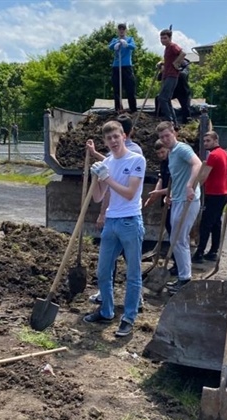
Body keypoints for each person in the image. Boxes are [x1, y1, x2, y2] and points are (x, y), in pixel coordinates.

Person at [83, 120, 146, 338]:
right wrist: (96, 178)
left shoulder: (137, 160)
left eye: (116, 137)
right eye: (109, 138)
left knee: (133, 273)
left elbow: (129, 193)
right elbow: (99, 196)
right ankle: (107, 311)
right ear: (105, 141)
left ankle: (128, 318)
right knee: (103, 271)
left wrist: (106, 177)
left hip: (130, 221)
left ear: (124, 137)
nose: (113, 141)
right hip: (111, 221)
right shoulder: (108, 162)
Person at [156, 121, 201, 293]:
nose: (165, 139)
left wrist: (190, 185)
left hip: (189, 200)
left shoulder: (182, 149)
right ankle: (183, 276)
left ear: (174, 133)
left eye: (167, 135)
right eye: (162, 137)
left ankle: (185, 278)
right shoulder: (172, 153)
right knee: (176, 238)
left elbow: (197, 164)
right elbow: (176, 177)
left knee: (179, 239)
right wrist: (169, 195)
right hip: (178, 199)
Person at [192, 131, 227, 263]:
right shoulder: (224, 153)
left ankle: (200, 253)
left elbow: (203, 177)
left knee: (206, 223)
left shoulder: (213, 155)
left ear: (215, 140)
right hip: (223, 192)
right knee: (215, 223)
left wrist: (193, 187)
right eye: (204, 141)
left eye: (208, 141)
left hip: (215, 193)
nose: (205, 143)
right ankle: (214, 250)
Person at [144, 139, 177, 276]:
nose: (161, 155)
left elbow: (175, 185)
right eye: (158, 153)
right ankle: (175, 260)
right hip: (166, 199)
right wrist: (154, 196)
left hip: (174, 200)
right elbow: (161, 180)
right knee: (170, 231)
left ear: (168, 150)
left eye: (163, 152)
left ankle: (177, 263)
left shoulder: (174, 163)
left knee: (175, 233)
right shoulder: (163, 163)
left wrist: (159, 193)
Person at [157, 28, 186, 125]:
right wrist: (162, 64)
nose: (163, 40)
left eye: (165, 38)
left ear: (170, 38)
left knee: (162, 98)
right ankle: (174, 123)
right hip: (166, 75)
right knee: (167, 99)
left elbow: (183, 53)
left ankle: (169, 120)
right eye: (161, 38)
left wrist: (176, 63)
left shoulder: (173, 46)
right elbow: (168, 61)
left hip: (172, 76)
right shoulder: (167, 49)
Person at [108, 23, 137, 114]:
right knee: (116, 88)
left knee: (130, 88)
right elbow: (109, 47)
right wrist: (115, 45)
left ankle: (133, 109)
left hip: (127, 66)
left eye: (123, 29)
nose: (121, 30)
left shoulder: (130, 39)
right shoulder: (115, 40)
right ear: (118, 30)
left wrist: (126, 44)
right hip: (116, 66)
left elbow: (134, 47)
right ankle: (118, 108)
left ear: (125, 30)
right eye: (120, 29)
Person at [172, 59, 192, 123]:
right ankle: (160, 116)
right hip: (173, 90)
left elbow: (183, 75)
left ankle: (186, 123)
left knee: (186, 108)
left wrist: (176, 70)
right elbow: (159, 77)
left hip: (183, 91)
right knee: (160, 98)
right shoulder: (172, 65)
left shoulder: (186, 67)